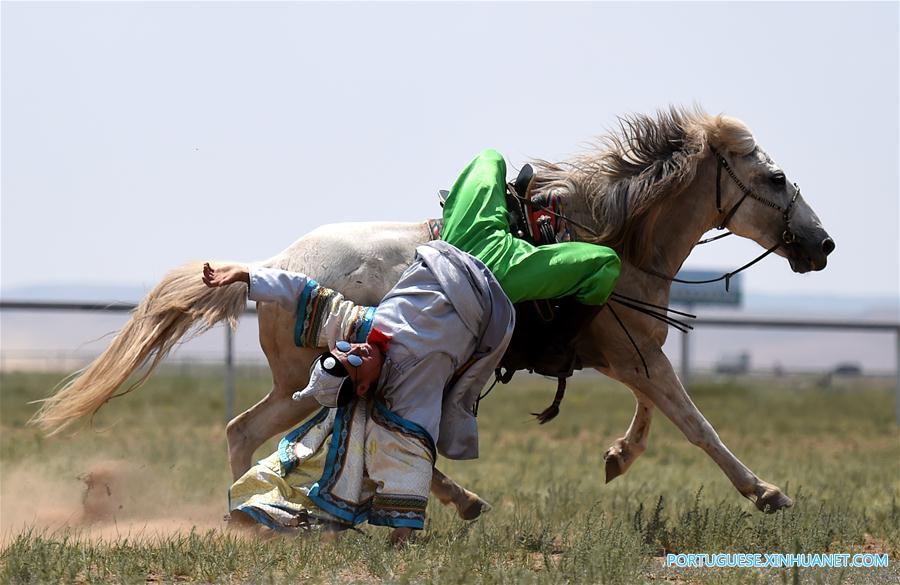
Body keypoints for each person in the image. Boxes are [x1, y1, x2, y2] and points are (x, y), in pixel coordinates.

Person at [202, 149, 621, 542]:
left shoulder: (354, 325)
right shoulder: (410, 391)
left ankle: (527, 214)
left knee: (489, 158)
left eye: (341, 352)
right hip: (495, 276)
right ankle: (557, 343)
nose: (351, 351)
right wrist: (403, 532)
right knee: (605, 264)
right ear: (364, 389)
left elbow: (302, 289)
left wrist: (245, 275)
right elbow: (412, 459)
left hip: (457, 242)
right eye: (350, 365)